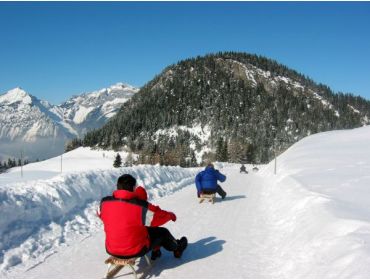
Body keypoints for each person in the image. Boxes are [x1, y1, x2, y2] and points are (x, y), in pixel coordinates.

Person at [99, 174, 187, 261]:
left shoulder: (104, 203)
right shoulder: (139, 206)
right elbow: (157, 217)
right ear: (133, 188)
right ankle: (177, 248)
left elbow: (103, 216)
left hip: (111, 249)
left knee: (143, 226)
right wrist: (170, 215)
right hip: (136, 249)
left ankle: (156, 250)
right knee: (162, 232)